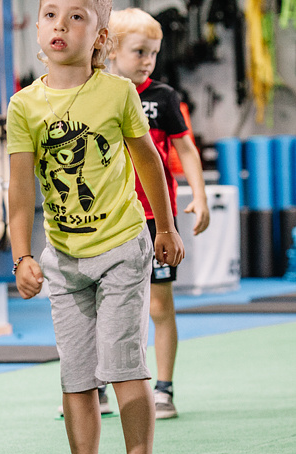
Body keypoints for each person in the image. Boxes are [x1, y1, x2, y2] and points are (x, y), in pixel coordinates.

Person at [6, 0, 185, 454]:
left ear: (100, 37)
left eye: (77, 16)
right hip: (63, 259)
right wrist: (21, 256)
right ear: (39, 28)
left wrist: (166, 228)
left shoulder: (117, 91)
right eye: (51, 15)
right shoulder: (24, 105)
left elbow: (147, 159)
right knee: (77, 374)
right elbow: (19, 191)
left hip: (123, 247)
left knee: (122, 361)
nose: (61, 25)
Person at [108, 7, 210, 419]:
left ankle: (164, 388)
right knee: (106, 307)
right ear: (111, 50)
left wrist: (198, 196)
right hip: (111, 219)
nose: (147, 61)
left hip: (156, 218)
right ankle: (95, 385)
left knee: (159, 306)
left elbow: (185, 147)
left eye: (152, 53)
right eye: (138, 52)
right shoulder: (101, 94)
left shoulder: (162, 97)